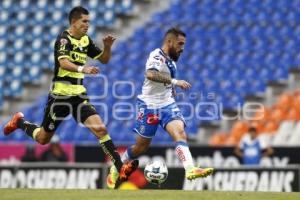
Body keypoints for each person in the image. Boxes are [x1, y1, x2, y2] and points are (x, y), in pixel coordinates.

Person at [3, 6, 137, 180]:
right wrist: (84, 69)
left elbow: (104, 59)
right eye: (84, 21)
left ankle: (120, 167)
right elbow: (64, 63)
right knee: (43, 139)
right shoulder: (63, 39)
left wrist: (107, 47)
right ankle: (20, 122)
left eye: (89, 21)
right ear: (74, 22)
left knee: (100, 129)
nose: (88, 25)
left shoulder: (86, 40)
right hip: (60, 96)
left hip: (78, 95)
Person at [106, 27, 214, 189]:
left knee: (180, 133)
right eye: (180, 43)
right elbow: (150, 74)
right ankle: (116, 167)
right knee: (141, 146)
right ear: (169, 42)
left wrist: (171, 89)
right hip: (149, 106)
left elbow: (165, 79)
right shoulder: (156, 55)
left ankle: (190, 169)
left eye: (184, 44)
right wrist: (175, 82)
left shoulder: (171, 61)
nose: (182, 47)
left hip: (167, 104)